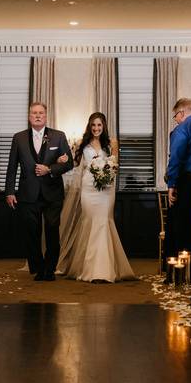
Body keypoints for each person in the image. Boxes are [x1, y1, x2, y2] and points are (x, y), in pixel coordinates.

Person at [57, 113, 134, 282]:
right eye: (93, 125)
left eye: (99, 125)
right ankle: (87, 268)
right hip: (88, 188)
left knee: (104, 222)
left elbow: (115, 166)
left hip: (106, 189)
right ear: (89, 127)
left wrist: (105, 175)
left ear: (104, 126)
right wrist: (62, 159)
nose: (96, 128)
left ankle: (104, 270)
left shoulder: (111, 143)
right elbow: (75, 164)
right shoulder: (82, 143)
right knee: (89, 222)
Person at [4, 102, 74, 281]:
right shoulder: (18, 138)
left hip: (52, 194)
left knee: (52, 231)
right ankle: (38, 267)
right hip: (28, 193)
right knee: (31, 233)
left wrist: (50, 169)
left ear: (46, 116)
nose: (37, 116)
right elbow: (12, 166)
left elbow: (69, 163)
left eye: (41, 113)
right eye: (34, 113)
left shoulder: (58, 136)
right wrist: (10, 191)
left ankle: (50, 269)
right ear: (29, 117)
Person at [166, 99, 191, 283]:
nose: (176, 120)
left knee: (179, 227)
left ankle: (177, 274)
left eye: (176, 116)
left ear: (181, 112)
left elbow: (176, 157)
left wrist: (171, 184)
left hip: (185, 182)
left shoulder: (182, 129)